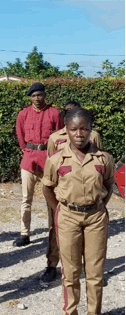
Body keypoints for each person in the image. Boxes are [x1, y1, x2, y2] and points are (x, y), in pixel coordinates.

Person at [42, 107, 114, 315]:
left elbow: (109, 185)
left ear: (91, 131)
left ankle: (94, 312)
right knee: (71, 272)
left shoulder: (103, 158)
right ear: (67, 130)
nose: (79, 134)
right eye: (74, 129)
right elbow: (47, 187)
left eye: (85, 129)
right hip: (67, 217)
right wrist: (61, 211)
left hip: (96, 218)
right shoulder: (56, 159)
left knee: (95, 272)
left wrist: (98, 205)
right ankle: (70, 311)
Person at [14, 82, 63, 283]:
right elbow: (20, 134)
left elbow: (60, 136)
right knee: (26, 198)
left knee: (52, 200)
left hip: (48, 160)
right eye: (34, 95)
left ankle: (55, 232)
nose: (37, 98)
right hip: (29, 158)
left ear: (44, 95)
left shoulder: (54, 113)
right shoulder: (23, 114)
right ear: (30, 97)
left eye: (40, 95)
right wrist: (26, 150)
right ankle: (25, 233)